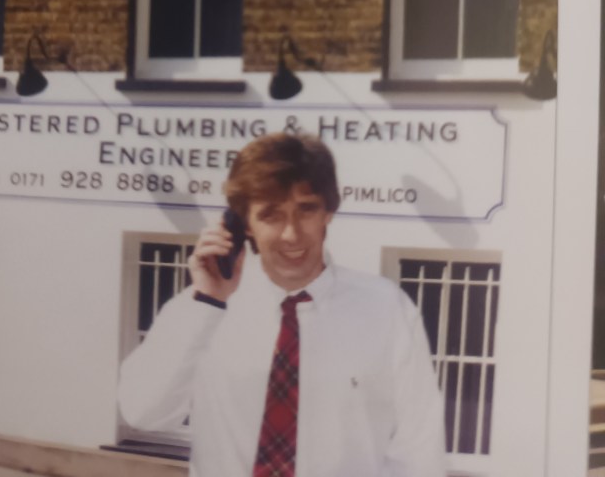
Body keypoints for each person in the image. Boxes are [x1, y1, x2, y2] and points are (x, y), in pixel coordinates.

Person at [119, 133, 445, 477]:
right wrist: (207, 303)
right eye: (271, 215)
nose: (291, 234)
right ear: (244, 225)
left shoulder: (387, 309)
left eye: (306, 209)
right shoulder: (201, 309)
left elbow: (418, 450)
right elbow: (143, 413)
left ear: (328, 212)